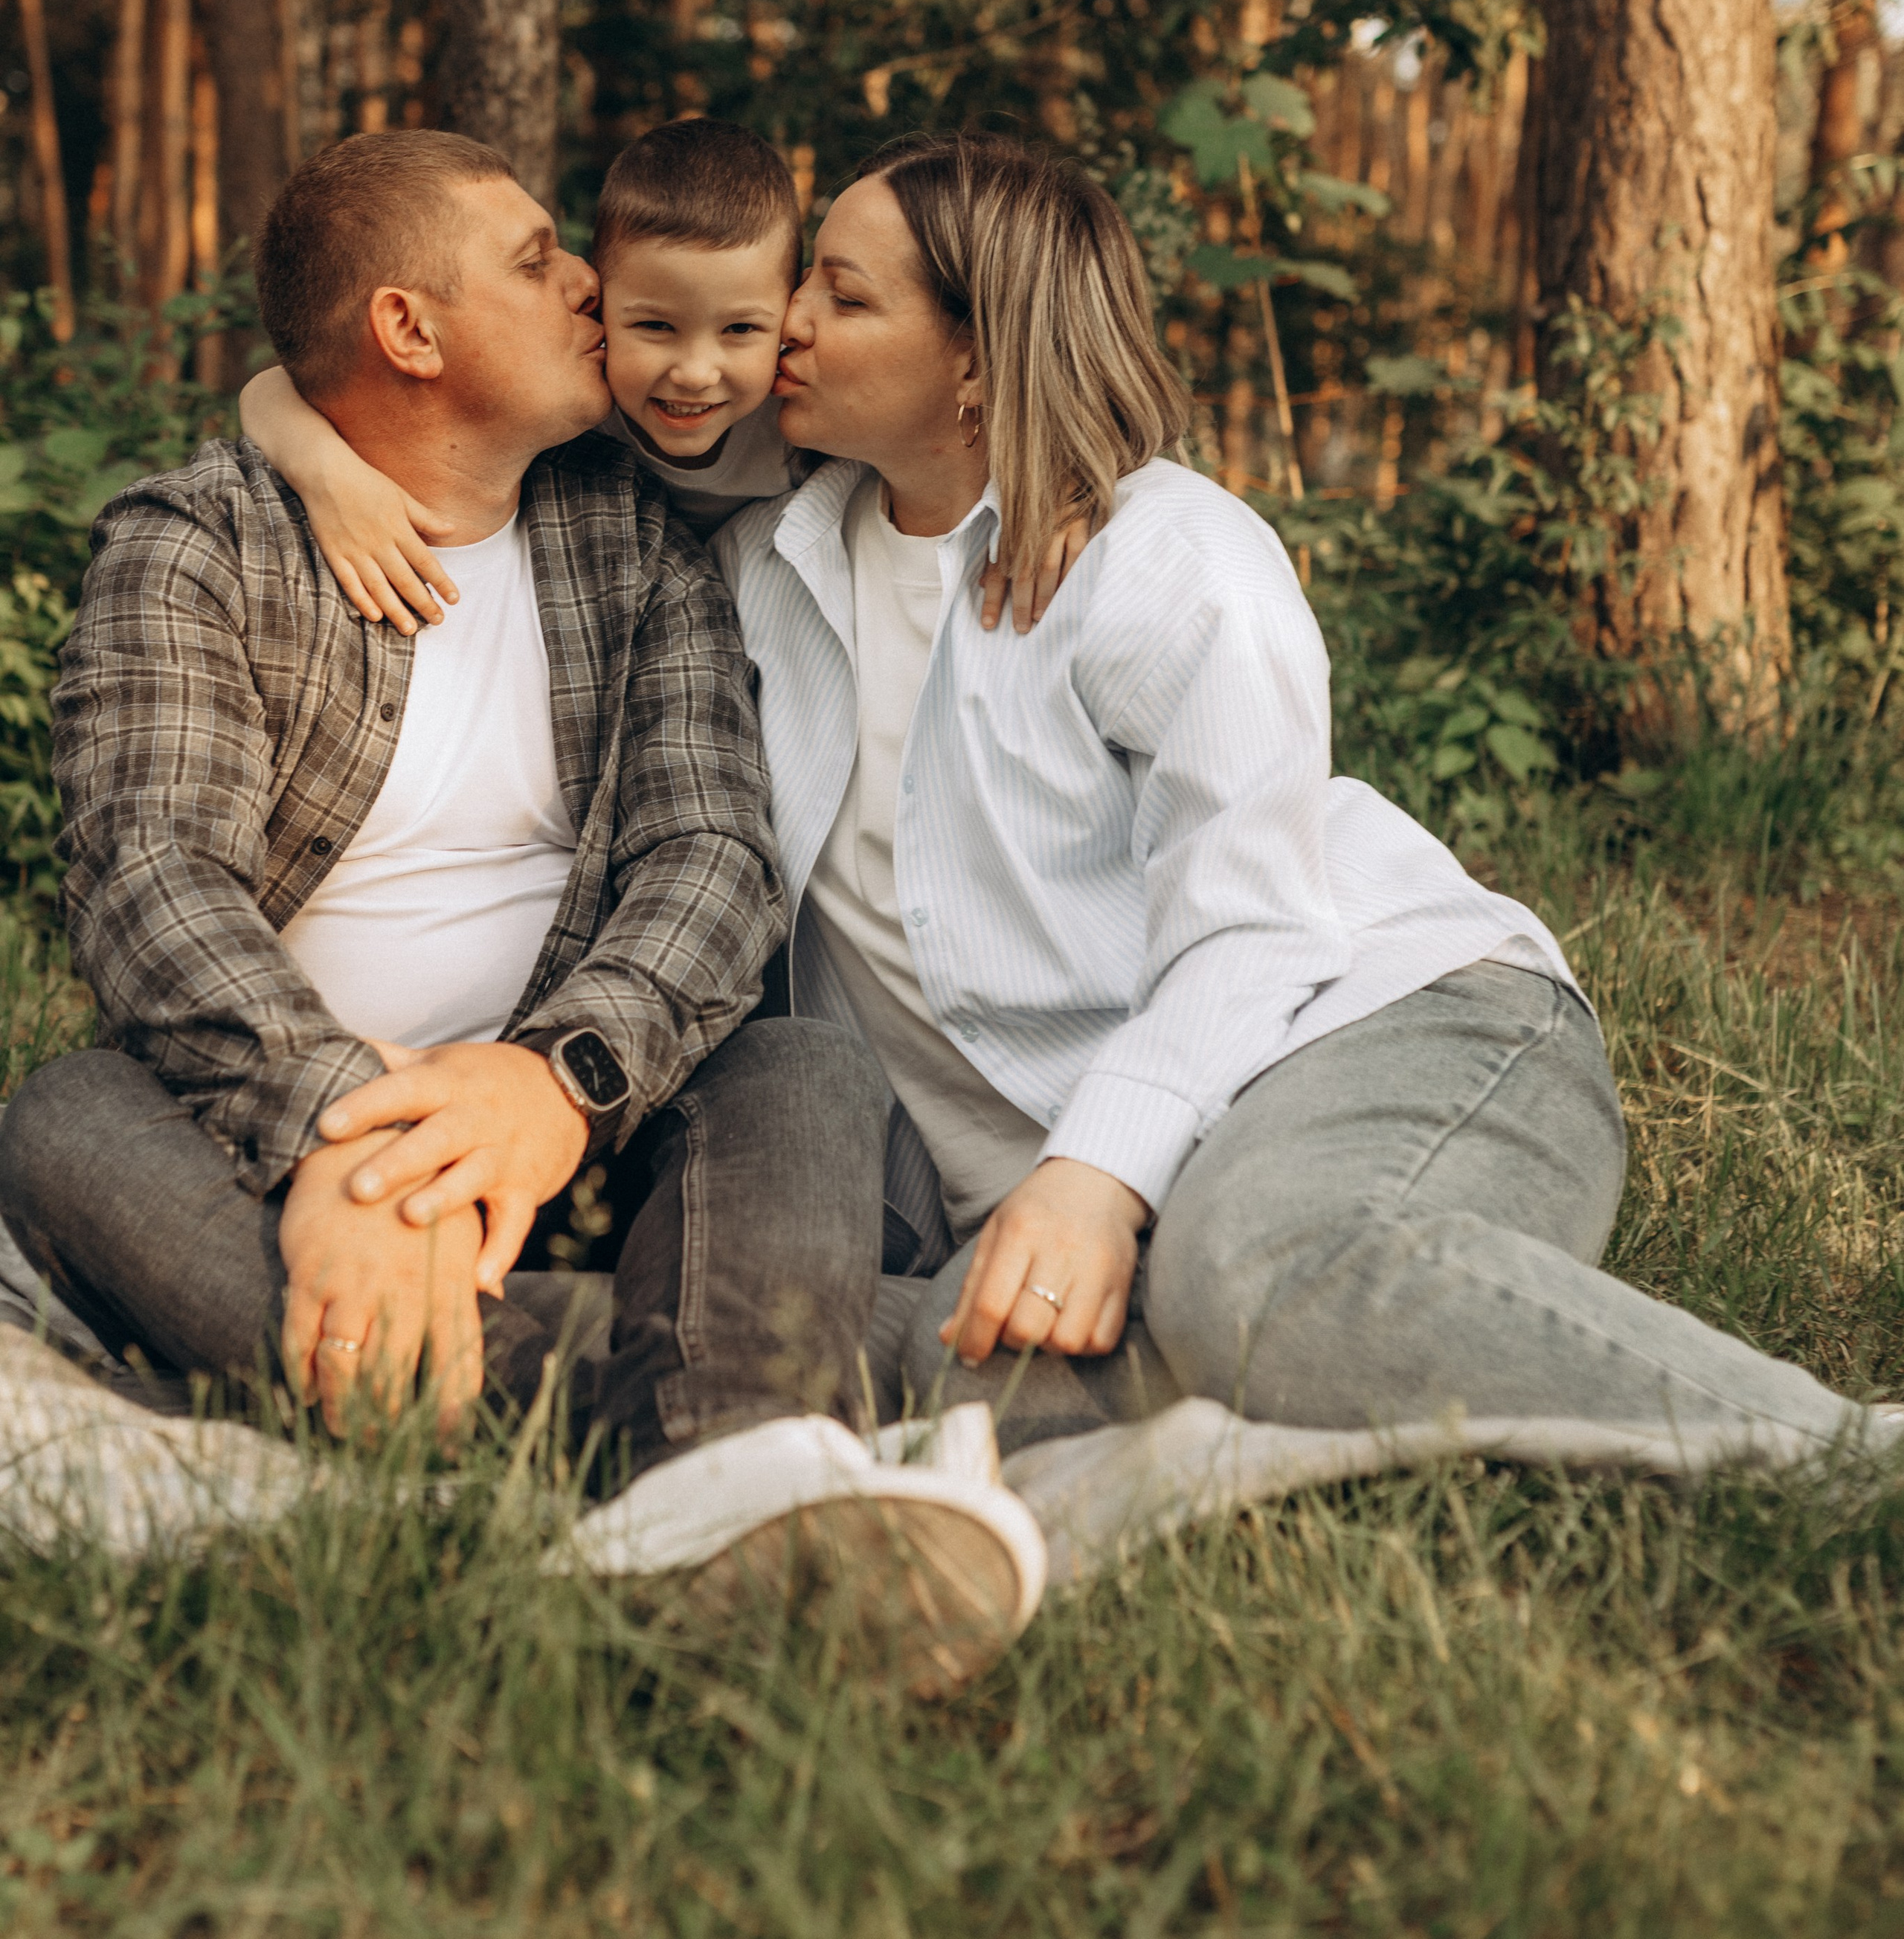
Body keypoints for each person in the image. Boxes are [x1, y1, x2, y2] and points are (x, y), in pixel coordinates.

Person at [0, 129, 1045, 1674]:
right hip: (282, 1147)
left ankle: (644, 1452)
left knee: (800, 1064)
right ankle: (728, 1440)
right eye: (537, 259)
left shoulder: (629, 533)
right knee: (67, 1121)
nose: (585, 286)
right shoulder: (200, 544)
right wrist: (348, 1148)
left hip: (599, 1133)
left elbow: (714, 857)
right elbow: (153, 877)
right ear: (408, 332)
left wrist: (552, 1081)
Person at [708, 131, 1895, 1462]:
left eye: (844, 296)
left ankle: (1843, 1460)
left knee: (1249, 1279)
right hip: (1110, 1173)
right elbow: (613, 392)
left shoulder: (1168, 563)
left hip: (1384, 1021)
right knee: (869, 1362)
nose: (785, 320)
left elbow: (1255, 926)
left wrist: (1099, 1174)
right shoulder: (768, 564)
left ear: (978, 359)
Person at [239, 117, 1078, 635]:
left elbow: (974, 397)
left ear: (785, 313)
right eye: (652, 327)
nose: (696, 371)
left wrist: (1064, 483)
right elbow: (281, 382)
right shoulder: (579, 395)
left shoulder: (798, 409)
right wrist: (328, 474)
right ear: (597, 301)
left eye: (743, 330)